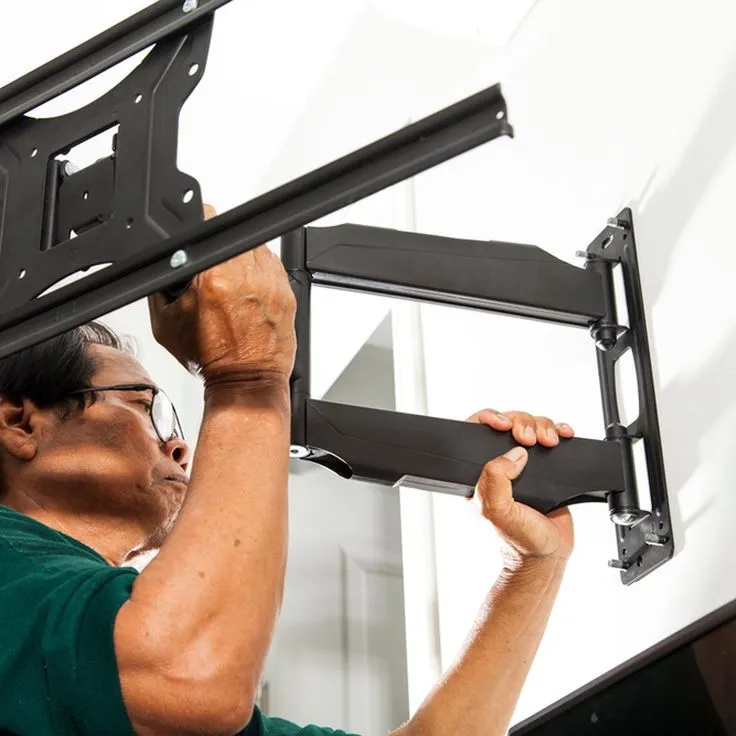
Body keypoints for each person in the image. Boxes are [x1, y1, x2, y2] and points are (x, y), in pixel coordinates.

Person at [0, 205, 575, 736]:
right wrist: (247, 378)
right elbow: (191, 674)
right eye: (144, 405)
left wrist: (533, 566)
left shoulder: (120, 668)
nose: (178, 446)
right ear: (20, 423)